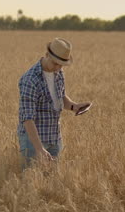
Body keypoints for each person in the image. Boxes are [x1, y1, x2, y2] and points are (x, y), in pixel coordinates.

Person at [17, 38, 91, 168]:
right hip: (33, 142)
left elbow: (60, 97)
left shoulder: (59, 73)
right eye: (55, 63)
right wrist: (39, 149)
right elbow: (27, 119)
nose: (58, 67)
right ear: (46, 55)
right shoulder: (30, 80)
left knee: (52, 181)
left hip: (54, 137)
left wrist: (74, 106)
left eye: (61, 64)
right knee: (31, 181)